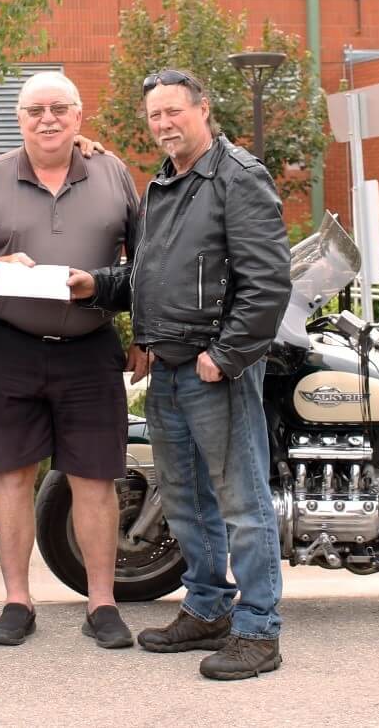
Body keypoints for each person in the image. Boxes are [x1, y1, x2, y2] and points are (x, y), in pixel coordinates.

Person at [69, 68, 292, 681]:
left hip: (213, 370)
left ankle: (258, 630)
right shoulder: (163, 186)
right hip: (164, 366)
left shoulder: (238, 179)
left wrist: (226, 356)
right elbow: (150, 275)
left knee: (241, 503)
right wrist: (98, 287)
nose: (164, 124)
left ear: (203, 109)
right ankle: (207, 608)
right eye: (155, 116)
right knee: (188, 502)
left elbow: (268, 283)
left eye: (174, 112)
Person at [0, 71, 140, 650]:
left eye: (60, 108)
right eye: (35, 109)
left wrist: (149, 334)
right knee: (12, 476)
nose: (48, 119)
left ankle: (103, 603)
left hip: (91, 349)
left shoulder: (114, 173)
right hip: (9, 346)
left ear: (80, 116)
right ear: (19, 118)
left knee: (94, 479)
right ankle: (17, 599)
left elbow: (147, 261)